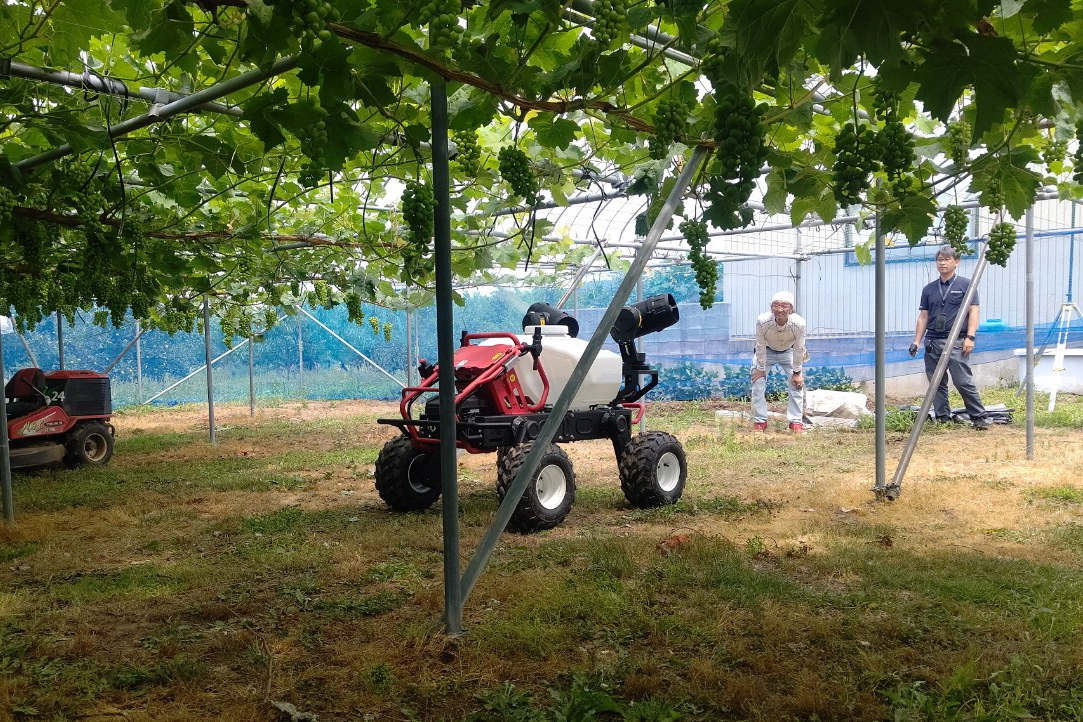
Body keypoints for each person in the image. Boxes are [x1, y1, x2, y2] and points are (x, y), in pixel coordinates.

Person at [909, 245, 990, 430]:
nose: (942, 263)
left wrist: (970, 337)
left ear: (956, 262)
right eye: (940, 260)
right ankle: (943, 417)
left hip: (957, 342)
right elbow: (923, 316)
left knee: (963, 381)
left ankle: (979, 417)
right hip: (933, 342)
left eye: (947, 259)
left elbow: (974, 311)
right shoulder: (929, 289)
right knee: (936, 383)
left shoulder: (966, 285)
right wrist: (916, 341)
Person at [751, 291, 808, 432]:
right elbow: (759, 345)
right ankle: (760, 421)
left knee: (797, 384)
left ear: (791, 309)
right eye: (776, 305)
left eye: (784, 306)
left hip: (789, 351)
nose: (780, 309)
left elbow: (799, 348)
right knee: (757, 382)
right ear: (771, 308)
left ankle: (795, 422)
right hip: (767, 351)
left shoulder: (799, 323)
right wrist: (760, 368)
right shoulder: (762, 321)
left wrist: (797, 372)